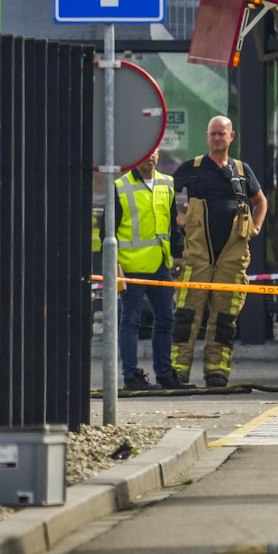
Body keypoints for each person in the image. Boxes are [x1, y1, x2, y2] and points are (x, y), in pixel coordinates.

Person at [169, 116, 266, 387]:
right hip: (197, 256)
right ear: (207, 136)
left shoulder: (242, 170)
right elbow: (169, 195)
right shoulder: (191, 168)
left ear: (231, 136)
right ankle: (178, 370)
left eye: (221, 134)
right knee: (187, 314)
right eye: (212, 134)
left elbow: (261, 202)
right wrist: (179, 214)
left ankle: (217, 372)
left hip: (232, 259)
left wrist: (256, 227)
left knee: (225, 318)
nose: (216, 138)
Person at [94, 148, 183, 390]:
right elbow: (107, 231)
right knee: (130, 321)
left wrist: (178, 254)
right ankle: (131, 376)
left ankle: (164, 374)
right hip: (130, 266)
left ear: (159, 154)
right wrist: (112, 266)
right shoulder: (121, 186)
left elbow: (171, 223)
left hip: (160, 265)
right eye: (144, 153)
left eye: (153, 152)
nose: (149, 157)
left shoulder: (167, 183)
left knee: (166, 319)